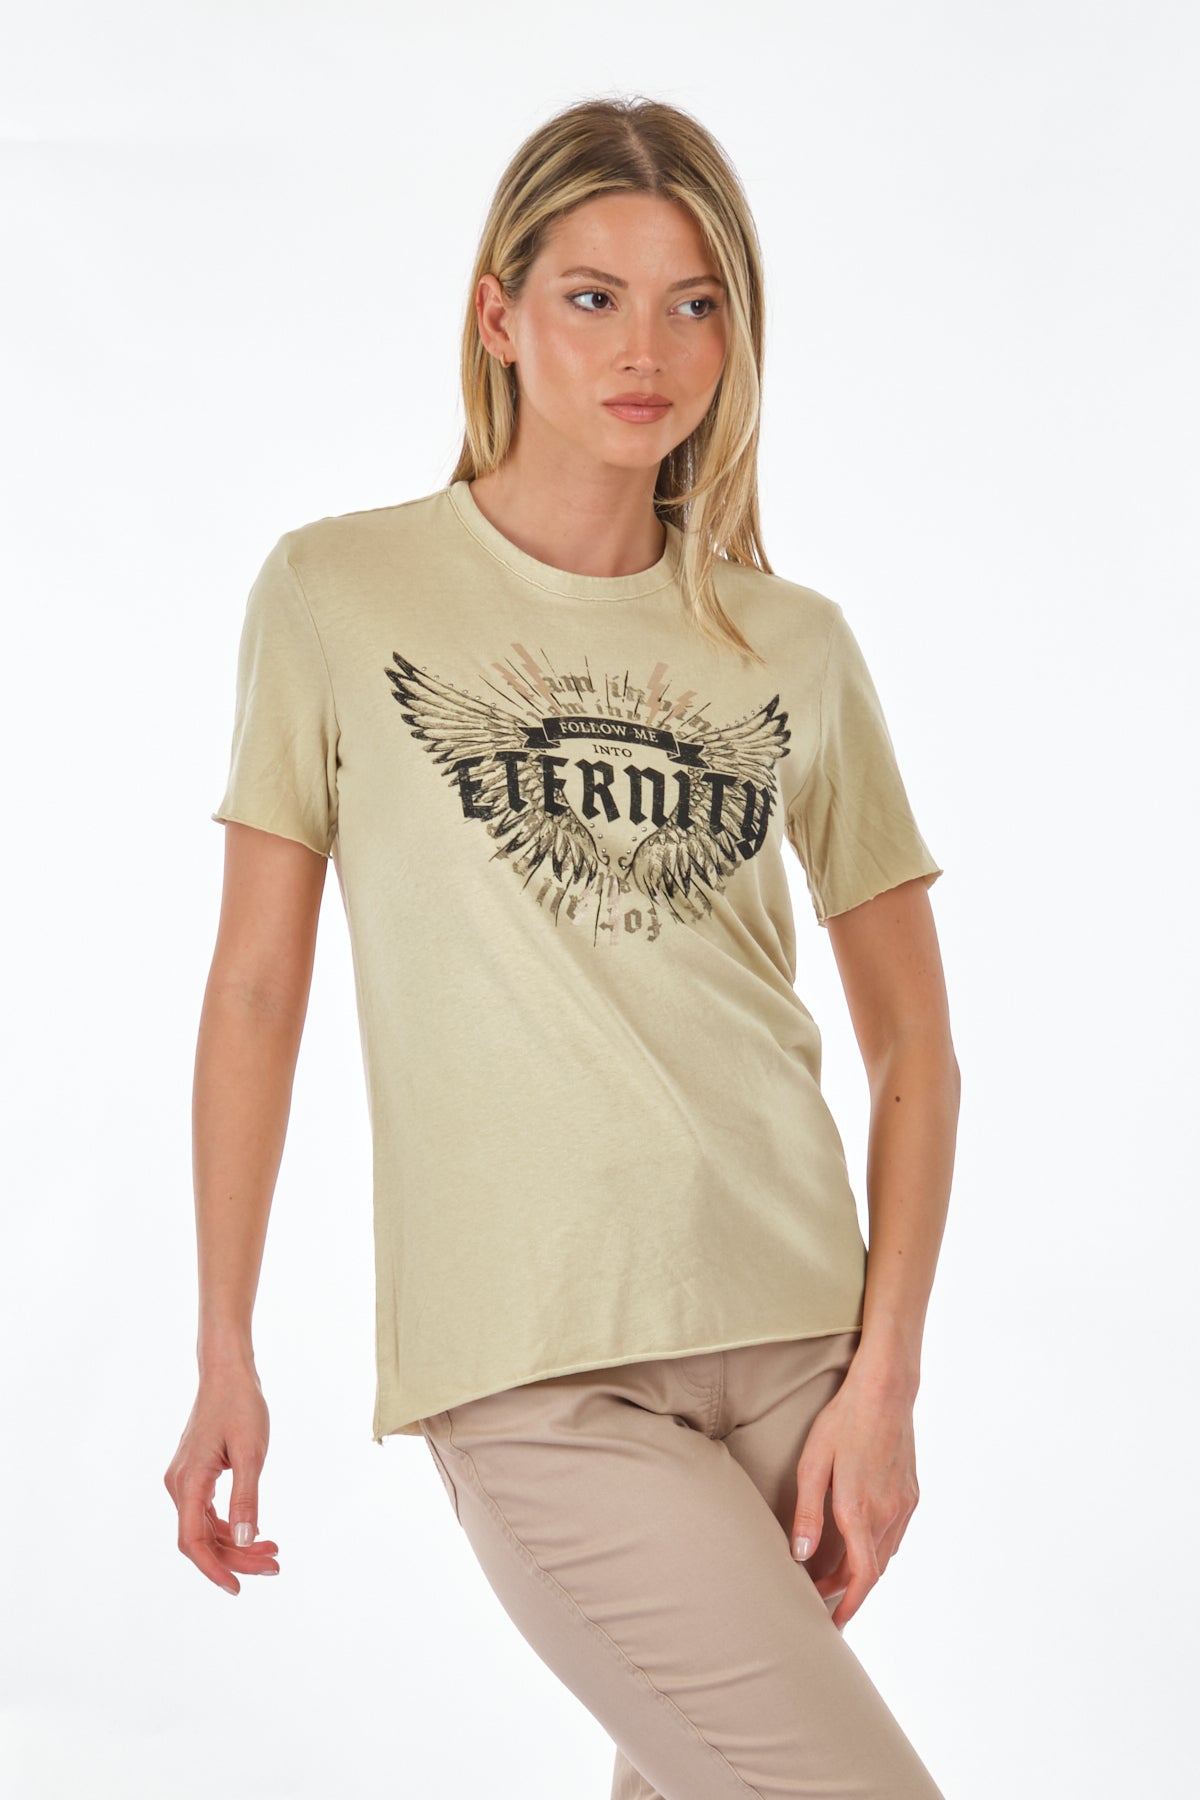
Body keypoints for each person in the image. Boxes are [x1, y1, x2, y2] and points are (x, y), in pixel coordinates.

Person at [165, 94, 959, 1800]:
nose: (645, 350)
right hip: (537, 1369)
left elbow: (915, 1043)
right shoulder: (338, 596)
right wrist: (226, 1341)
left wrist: (886, 1375)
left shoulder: (795, 645)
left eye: (694, 302)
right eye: (593, 296)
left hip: (799, 1354)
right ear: (499, 315)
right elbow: (255, 988)